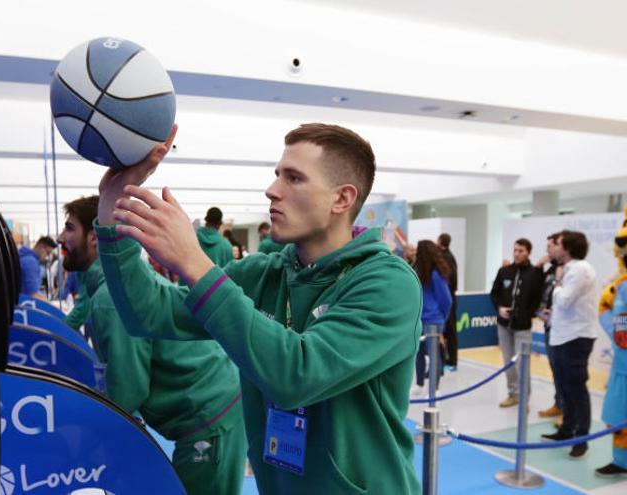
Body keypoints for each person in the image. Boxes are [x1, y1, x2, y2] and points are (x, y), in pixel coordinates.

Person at [96, 123, 421, 493]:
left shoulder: (387, 283)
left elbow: (297, 375)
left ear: (341, 199)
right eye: (277, 174)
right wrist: (111, 216)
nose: (272, 190)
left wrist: (195, 263)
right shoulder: (266, 272)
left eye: (294, 178)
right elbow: (149, 313)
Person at [57, 195, 247, 495]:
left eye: (69, 228)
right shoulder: (106, 291)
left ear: (95, 238)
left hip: (210, 413)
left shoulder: (110, 300)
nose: (60, 237)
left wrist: (87, 437)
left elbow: (128, 389)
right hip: (207, 404)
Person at [541, 230, 599, 459]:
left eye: (558, 245)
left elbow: (565, 300)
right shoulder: (570, 269)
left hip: (576, 337)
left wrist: (556, 284)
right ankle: (567, 430)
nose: (552, 248)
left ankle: (581, 438)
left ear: (568, 248)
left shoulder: (580, 269)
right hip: (563, 335)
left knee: (576, 389)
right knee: (564, 387)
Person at [489, 238, 544, 408]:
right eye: (515, 250)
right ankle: (512, 393)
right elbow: (494, 293)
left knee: (522, 363)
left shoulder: (535, 274)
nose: (517, 254)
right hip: (504, 325)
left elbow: (538, 299)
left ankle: (523, 398)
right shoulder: (504, 271)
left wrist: (527, 314)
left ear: (528, 252)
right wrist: (499, 308)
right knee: (508, 361)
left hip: (523, 326)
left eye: (521, 251)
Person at [595, 210, 627, 477]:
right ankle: (621, 460)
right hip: (621, 364)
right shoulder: (620, 287)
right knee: (617, 414)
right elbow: (612, 318)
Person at [411, 240, 452, 396]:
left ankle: (435, 388)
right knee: (418, 354)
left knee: (434, 355)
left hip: (433, 321)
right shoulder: (417, 272)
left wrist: (442, 319)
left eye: (417, 251)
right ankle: (420, 384)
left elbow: (446, 300)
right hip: (418, 320)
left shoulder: (436, 274)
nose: (415, 253)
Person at [535, 234, 563, 420]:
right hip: (548, 326)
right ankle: (559, 404)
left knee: (564, 370)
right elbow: (539, 290)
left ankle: (568, 411)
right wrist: (538, 268)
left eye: (550, 246)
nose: (547, 250)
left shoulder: (570, 270)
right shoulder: (550, 270)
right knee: (555, 368)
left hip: (563, 329)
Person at [437, 233, 459, 369]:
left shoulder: (446, 258)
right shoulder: (447, 257)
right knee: (446, 331)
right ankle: (446, 359)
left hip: (448, 298)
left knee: (450, 330)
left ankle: (452, 360)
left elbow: (452, 281)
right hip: (448, 297)